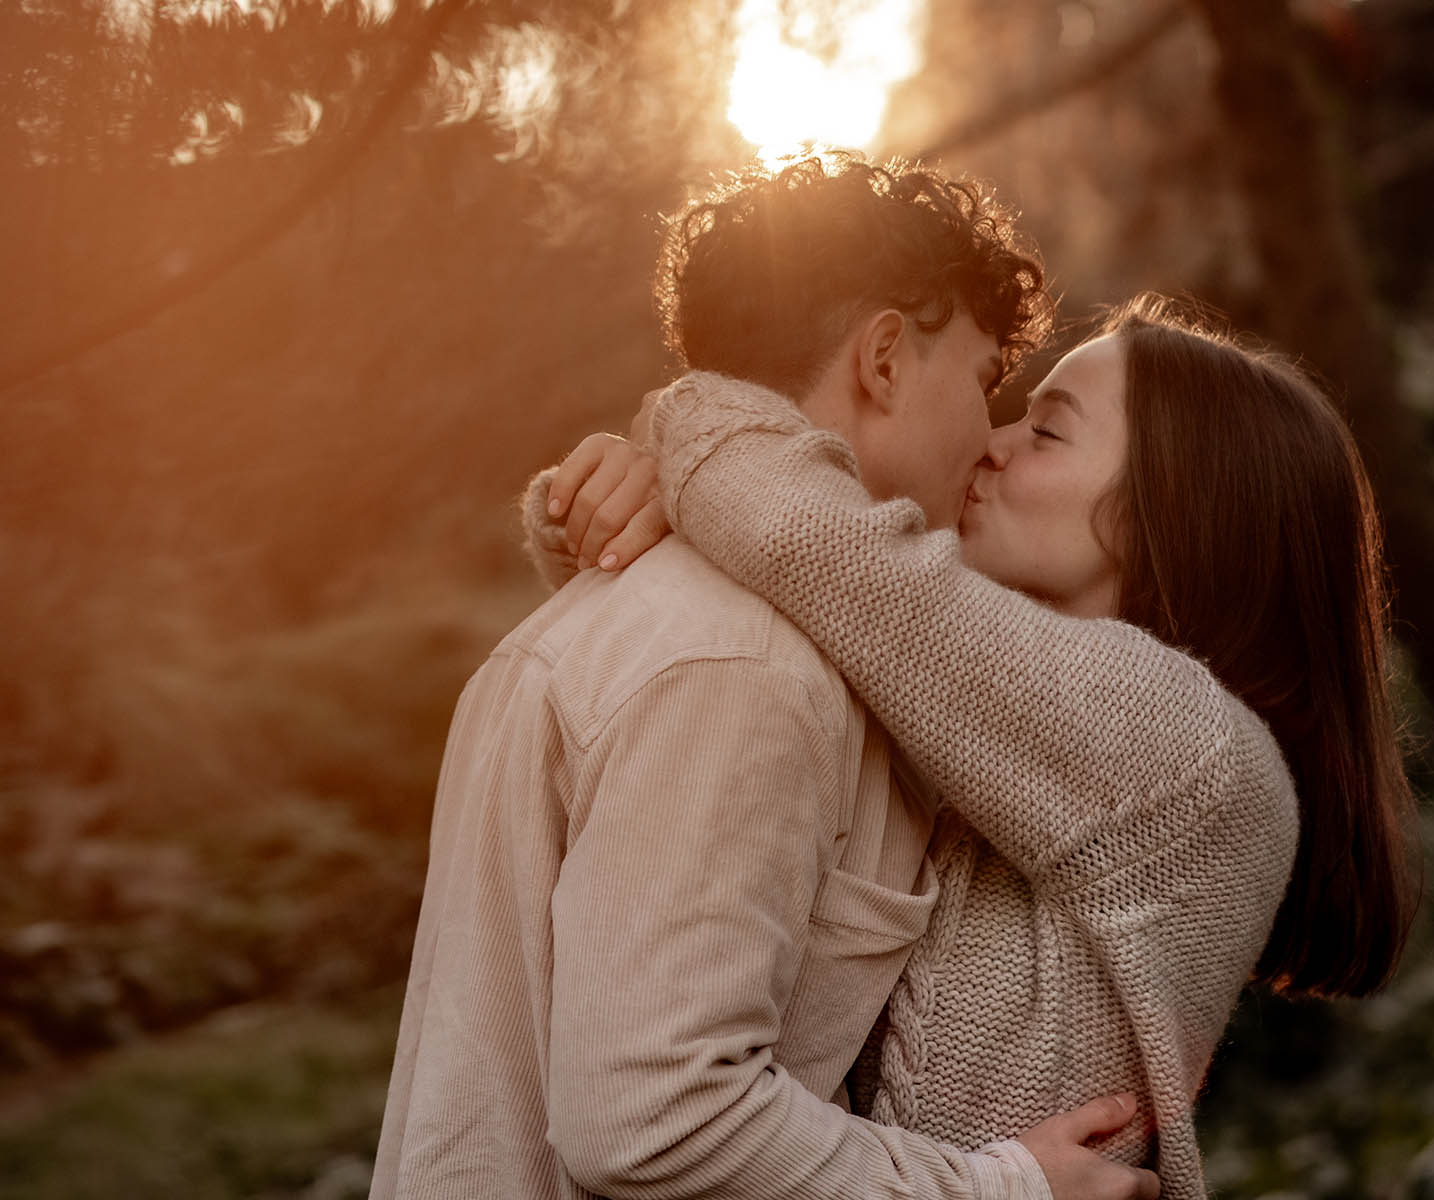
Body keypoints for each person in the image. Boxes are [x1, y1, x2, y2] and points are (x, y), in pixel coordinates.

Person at [373, 155, 1160, 1200]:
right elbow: (655, 1118)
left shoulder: (662, 613)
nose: (988, 435)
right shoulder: (748, 670)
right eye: (981, 383)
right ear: (884, 359)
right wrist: (1001, 1189)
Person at [528, 294, 1421, 1200]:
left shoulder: (1195, 751)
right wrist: (618, 517)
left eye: (1048, 432)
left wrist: (694, 420)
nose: (991, 443)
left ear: (1178, 508)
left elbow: (809, 541)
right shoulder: (981, 726)